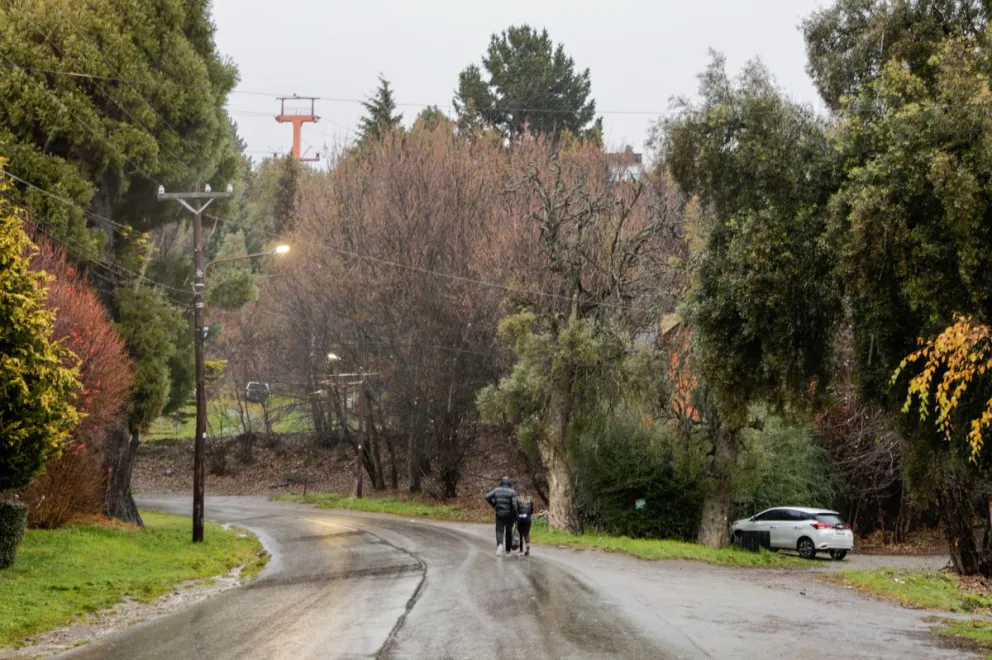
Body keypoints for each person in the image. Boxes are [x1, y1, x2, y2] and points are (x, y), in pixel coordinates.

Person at [484, 476, 519, 557]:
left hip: (499, 513)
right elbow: (515, 505)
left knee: (499, 530)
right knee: (509, 532)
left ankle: (500, 545)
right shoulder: (512, 492)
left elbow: (486, 497)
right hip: (509, 515)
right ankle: (508, 551)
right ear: (509, 483)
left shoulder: (496, 490)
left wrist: (494, 505)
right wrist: (516, 514)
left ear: (501, 483)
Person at [517, 492, 534, 557]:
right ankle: (528, 547)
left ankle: (521, 551)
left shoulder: (517, 500)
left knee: (520, 535)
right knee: (526, 533)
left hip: (520, 519)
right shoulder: (530, 500)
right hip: (528, 519)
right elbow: (532, 510)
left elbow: (516, 509)